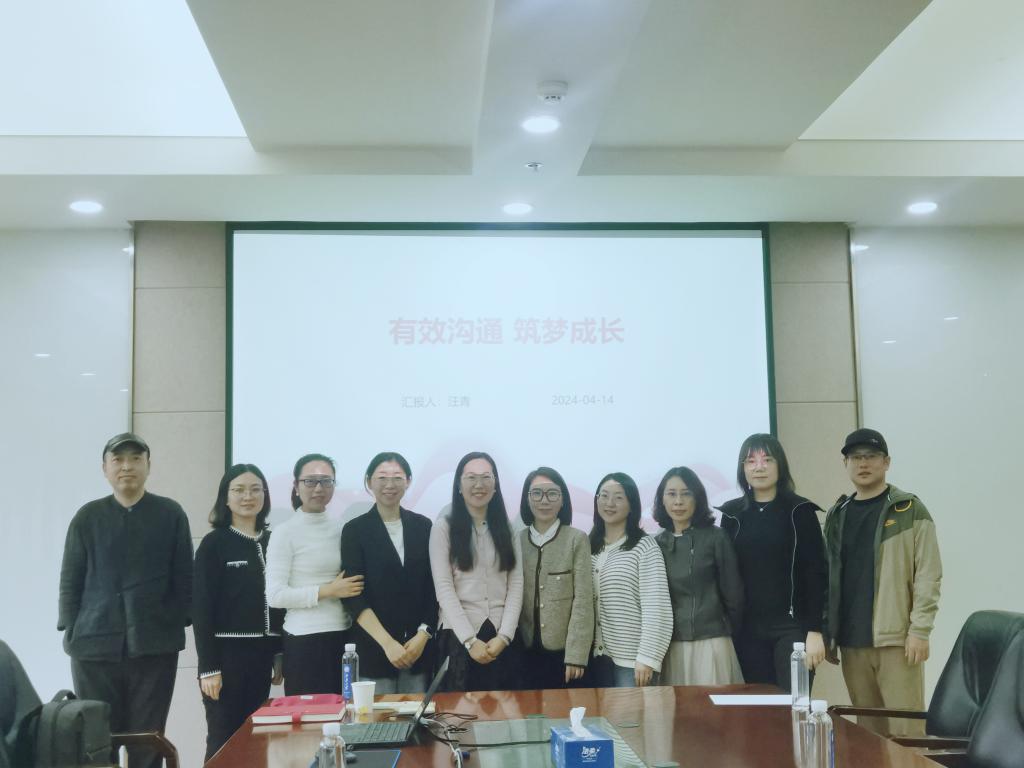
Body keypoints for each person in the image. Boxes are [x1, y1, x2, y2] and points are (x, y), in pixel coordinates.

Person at [57, 432, 192, 768]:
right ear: (105, 468)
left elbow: (184, 578)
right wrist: (72, 626)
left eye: (135, 459)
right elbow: (70, 579)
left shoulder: (170, 514)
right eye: (118, 460)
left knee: (148, 741)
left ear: (148, 466)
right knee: (97, 741)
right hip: (93, 648)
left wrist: (173, 621)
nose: (127, 466)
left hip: (154, 648)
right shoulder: (87, 517)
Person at [823, 428, 942, 737]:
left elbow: (928, 573)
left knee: (907, 733)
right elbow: (828, 577)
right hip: (852, 642)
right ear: (846, 464)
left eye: (871, 456)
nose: (863, 463)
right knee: (869, 734)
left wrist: (920, 630)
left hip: (897, 641)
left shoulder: (909, 509)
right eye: (855, 457)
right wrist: (829, 632)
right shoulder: (837, 514)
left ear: (886, 462)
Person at [719, 434, 827, 692]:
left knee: (794, 704)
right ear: (743, 469)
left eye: (767, 460)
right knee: (759, 707)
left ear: (780, 465)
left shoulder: (800, 511)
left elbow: (816, 573)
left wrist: (815, 630)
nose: (759, 467)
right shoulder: (732, 514)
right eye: (751, 461)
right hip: (747, 630)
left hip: (792, 628)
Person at [193, 463, 285, 761]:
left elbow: (279, 603)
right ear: (226, 497)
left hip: (261, 657)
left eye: (256, 489)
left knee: (255, 738)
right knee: (223, 739)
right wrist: (208, 668)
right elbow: (201, 608)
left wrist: (278, 653)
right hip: (225, 658)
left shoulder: (274, 541)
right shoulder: (214, 544)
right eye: (239, 490)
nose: (248, 496)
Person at [265, 453, 363, 695]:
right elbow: (275, 596)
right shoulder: (284, 532)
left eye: (326, 481)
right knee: (310, 716)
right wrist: (328, 591)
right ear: (296, 486)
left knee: (347, 711)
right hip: (305, 641)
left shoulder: (343, 528)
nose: (318, 488)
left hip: (345, 638)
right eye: (310, 481)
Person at [340, 452, 437, 693]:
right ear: (369, 481)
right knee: (376, 715)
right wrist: (388, 644)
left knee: (418, 715)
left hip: (418, 650)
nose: (389, 485)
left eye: (397, 477)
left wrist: (423, 635)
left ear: (408, 481)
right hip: (374, 648)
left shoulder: (424, 526)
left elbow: (434, 587)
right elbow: (353, 594)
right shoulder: (355, 530)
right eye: (382, 477)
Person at [429, 452, 523, 692]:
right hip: (457, 636)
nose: (479, 484)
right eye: (471, 477)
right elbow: (444, 589)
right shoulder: (443, 528)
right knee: (457, 712)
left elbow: (516, 585)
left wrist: (505, 636)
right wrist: (470, 641)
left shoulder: (508, 529)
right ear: (459, 485)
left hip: (501, 638)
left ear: (495, 485)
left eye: (486, 477)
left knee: (503, 711)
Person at [653, 466, 744, 685]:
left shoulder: (716, 537)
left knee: (713, 706)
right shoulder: (655, 544)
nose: (678, 502)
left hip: (712, 641)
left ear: (698, 498)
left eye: (686, 494)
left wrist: (728, 629)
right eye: (671, 494)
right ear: (662, 500)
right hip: (670, 646)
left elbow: (734, 595)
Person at [589, 472, 672, 687]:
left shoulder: (645, 547)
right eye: (604, 496)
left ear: (631, 505)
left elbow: (657, 607)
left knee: (630, 711)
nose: (609, 503)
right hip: (595, 660)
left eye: (619, 497)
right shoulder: (589, 546)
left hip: (632, 663)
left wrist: (647, 658)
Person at [517, 467, 594, 689]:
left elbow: (583, 600)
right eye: (536, 493)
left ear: (562, 501)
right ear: (527, 500)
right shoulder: (517, 541)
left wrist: (576, 655)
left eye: (552, 493)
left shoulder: (576, 539)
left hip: (564, 656)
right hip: (524, 653)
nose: (544, 500)